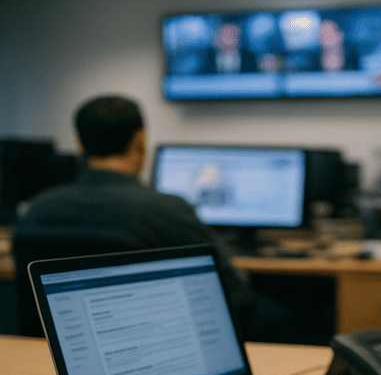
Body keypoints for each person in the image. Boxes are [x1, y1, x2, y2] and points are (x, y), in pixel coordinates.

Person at [14, 95, 256, 333]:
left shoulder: (35, 209)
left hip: (44, 348)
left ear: (80, 145)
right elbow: (231, 290)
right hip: (148, 343)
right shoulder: (167, 210)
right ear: (141, 139)